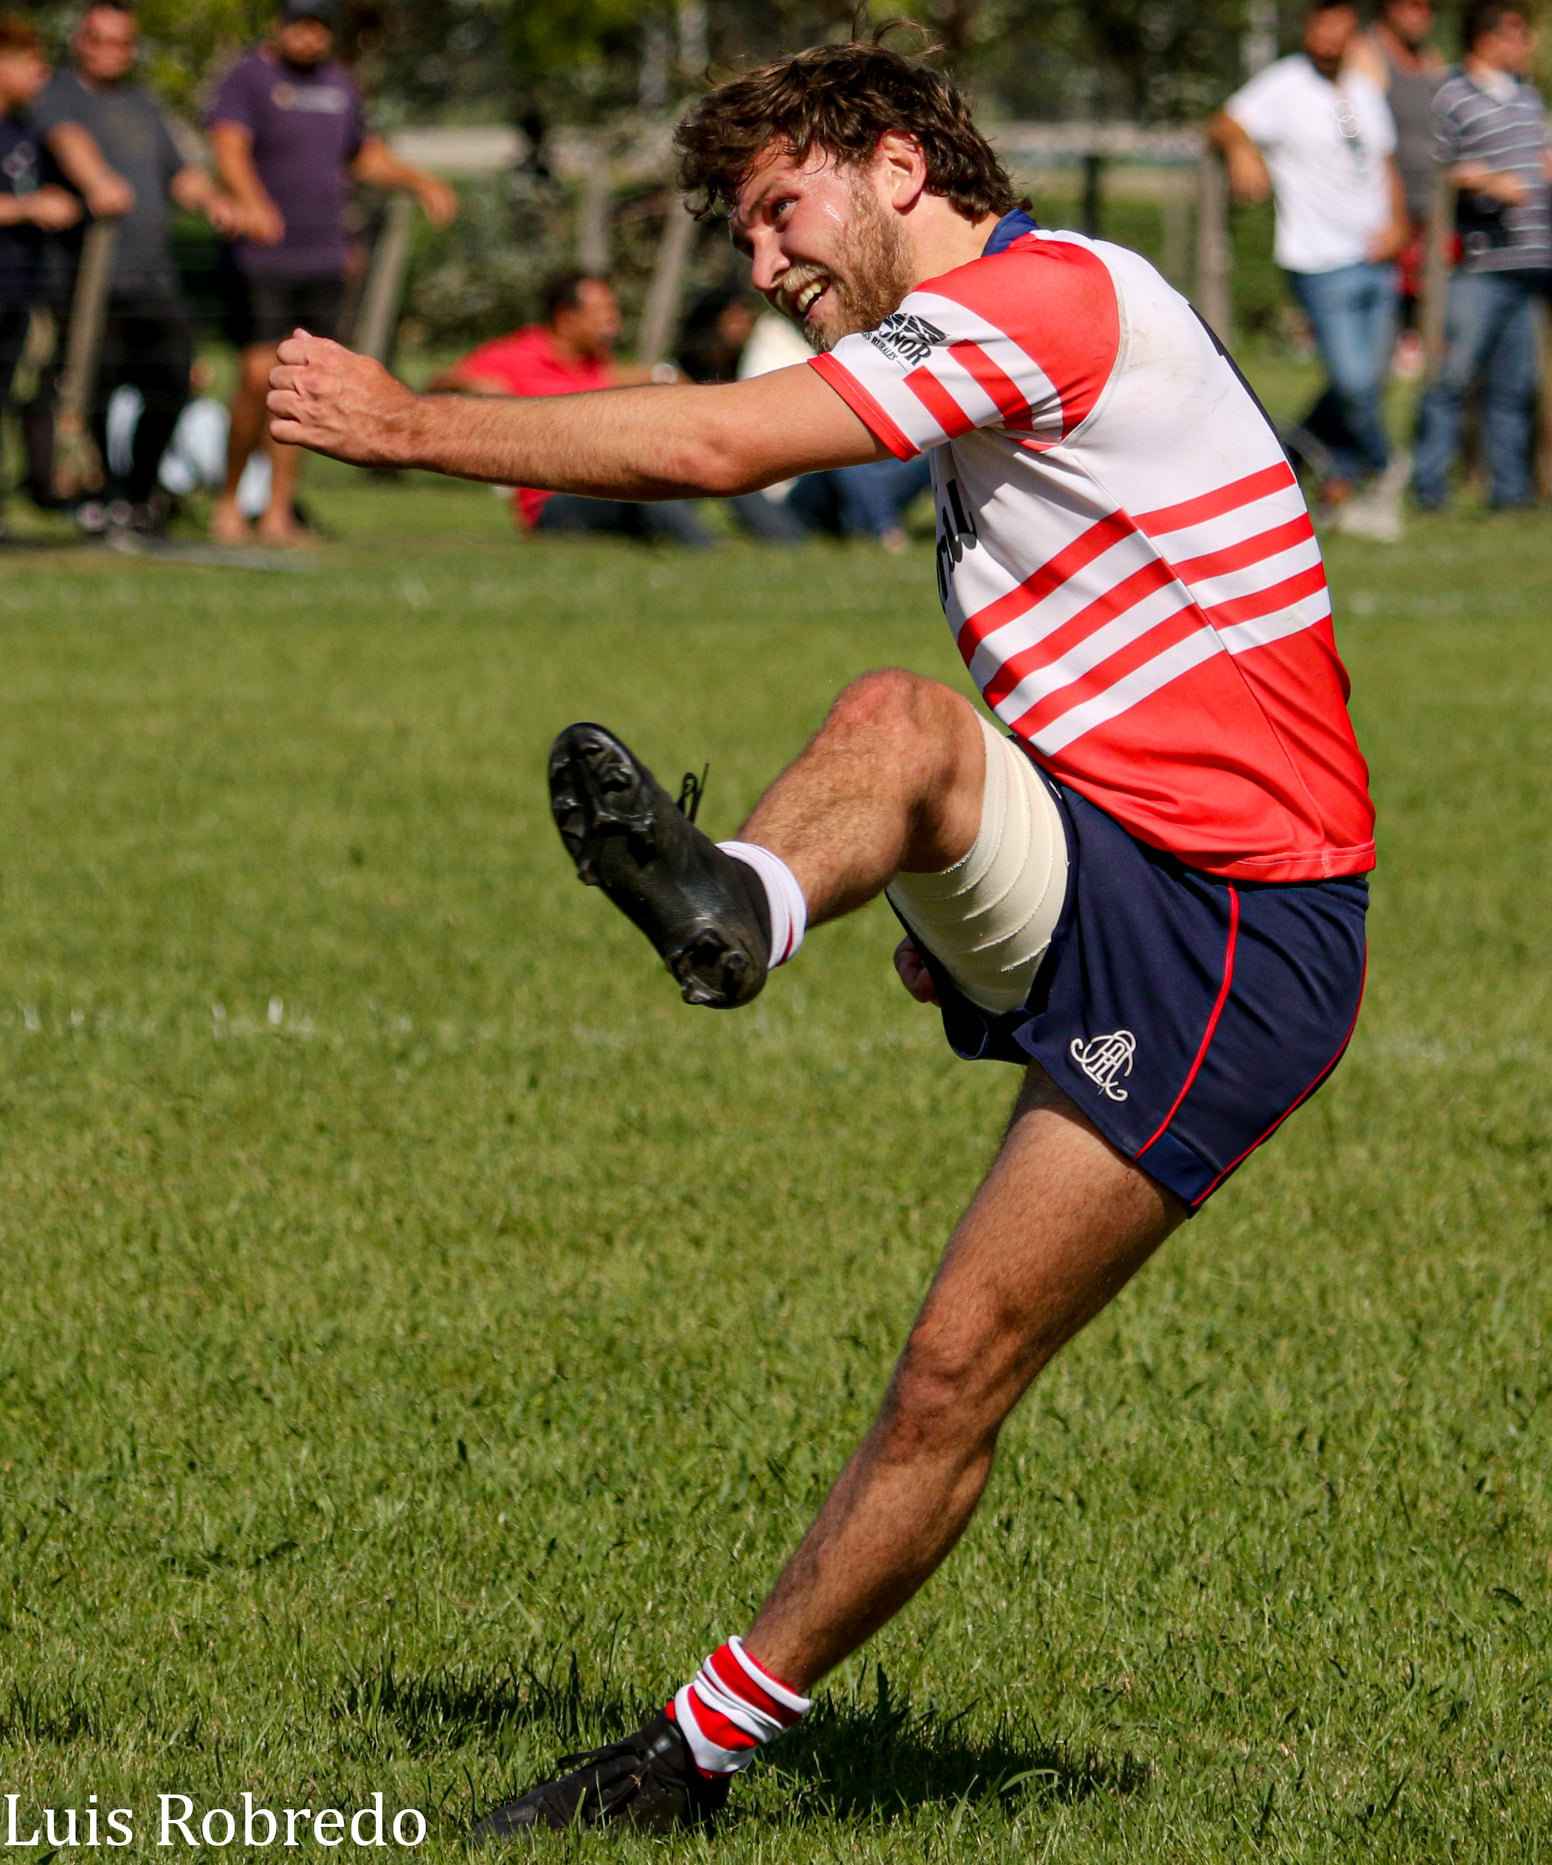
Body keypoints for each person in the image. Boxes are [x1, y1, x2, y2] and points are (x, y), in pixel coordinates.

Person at [266, 36, 1375, 1836]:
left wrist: (406, 427)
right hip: (1104, 857)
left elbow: (721, 442)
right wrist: (955, 886)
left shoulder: (1052, 300)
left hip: (1235, 929)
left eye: (780, 208)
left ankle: (686, 1761)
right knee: (900, 726)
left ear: (898, 167)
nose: (764, 257)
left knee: (953, 1370)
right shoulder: (1002, 334)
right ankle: (749, 903)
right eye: (742, 232)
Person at [206, 0, 457, 547]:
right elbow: (228, 145)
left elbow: (363, 156)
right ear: (280, 25)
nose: (309, 34)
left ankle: (278, 512)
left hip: (322, 257)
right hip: (263, 257)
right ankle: (228, 501)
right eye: (300, 22)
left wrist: (421, 181)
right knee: (256, 376)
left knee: (303, 384)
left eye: (319, 25)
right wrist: (253, 203)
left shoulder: (340, 85)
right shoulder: (249, 78)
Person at [31, 0, 237, 534]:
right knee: (93, 389)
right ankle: (100, 493)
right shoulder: (58, 94)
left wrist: (213, 200)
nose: (110, 51)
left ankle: (141, 493)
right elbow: (68, 141)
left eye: (121, 41)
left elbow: (180, 174)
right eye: (98, 39)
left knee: (172, 378)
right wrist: (97, 181)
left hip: (153, 276)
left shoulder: (144, 103)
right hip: (89, 280)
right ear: (79, 41)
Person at [1210, 0, 1410, 510]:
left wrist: (1399, 224)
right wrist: (1241, 150)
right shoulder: (1284, 84)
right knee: (1354, 382)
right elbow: (1224, 123)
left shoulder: (1364, 90)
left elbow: (1384, 162)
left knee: (1367, 383)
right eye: (1322, 26)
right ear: (1309, 29)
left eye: (1341, 28)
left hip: (1375, 256)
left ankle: (1304, 461)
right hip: (1319, 259)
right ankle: (1385, 467)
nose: (1330, 38)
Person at [432, 271, 716, 546]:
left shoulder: (592, 362)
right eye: (603, 315)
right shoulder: (518, 354)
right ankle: (705, 553)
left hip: (602, 485)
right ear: (566, 319)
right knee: (641, 476)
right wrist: (472, 386)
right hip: (552, 501)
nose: (613, 324)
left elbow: (625, 377)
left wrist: (666, 377)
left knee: (715, 448)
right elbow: (438, 384)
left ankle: (737, 539)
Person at [1412, 0, 1552, 512]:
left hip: (1530, 264)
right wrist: (1490, 182)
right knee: (1451, 377)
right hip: (1480, 265)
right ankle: (1430, 488)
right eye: (1518, 34)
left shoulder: (1527, 97)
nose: (1527, 45)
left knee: (1516, 386)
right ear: (1487, 38)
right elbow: (1439, 168)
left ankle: (1510, 493)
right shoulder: (1453, 95)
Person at [0, 15, 81, 541]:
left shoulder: (26, 130)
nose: (43, 74)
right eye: (31, 62)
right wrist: (30, 208)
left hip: (18, 291)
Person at [1348, 0, 1447, 368]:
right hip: (1388, 215)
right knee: (1375, 346)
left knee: (1437, 328)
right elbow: (1361, 138)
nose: (1420, 14)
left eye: (1428, 7)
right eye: (1411, 5)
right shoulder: (1366, 53)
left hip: (1432, 210)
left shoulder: (1431, 60)